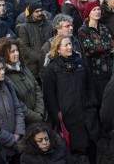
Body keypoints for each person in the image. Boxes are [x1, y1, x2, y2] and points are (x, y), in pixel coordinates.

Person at [43, 35, 100, 163]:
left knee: (92, 142)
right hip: (68, 114)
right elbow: (49, 96)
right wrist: (56, 115)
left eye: (70, 44)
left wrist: (92, 102)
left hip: (86, 110)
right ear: (57, 49)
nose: (70, 47)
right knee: (70, 146)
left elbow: (89, 83)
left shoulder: (80, 62)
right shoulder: (52, 69)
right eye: (65, 45)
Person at [0, 38, 45, 125]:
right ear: (4, 54)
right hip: (23, 122)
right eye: (12, 51)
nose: (16, 53)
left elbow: (36, 88)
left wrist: (39, 111)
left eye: (17, 50)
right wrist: (36, 117)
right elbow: (17, 103)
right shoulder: (4, 76)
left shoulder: (22, 67)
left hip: (38, 116)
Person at [78, 1, 114, 105]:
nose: (97, 12)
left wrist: (104, 47)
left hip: (109, 68)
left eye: (98, 9)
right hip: (95, 71)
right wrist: (107, 47)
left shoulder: (104, 27)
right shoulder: (83, 30)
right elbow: (90, 48)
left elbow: (112, 44)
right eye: (94, 10)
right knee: (100, 100)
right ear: (88, 13)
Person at [18, 2, 53, 79]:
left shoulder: (50, 25)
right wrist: (41, 58)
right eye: (36, 12)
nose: (40, 13)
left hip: (50, 64)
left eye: (41, 11)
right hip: (33, 67)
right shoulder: (24, 28)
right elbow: (24, 47)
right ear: (31, 13)